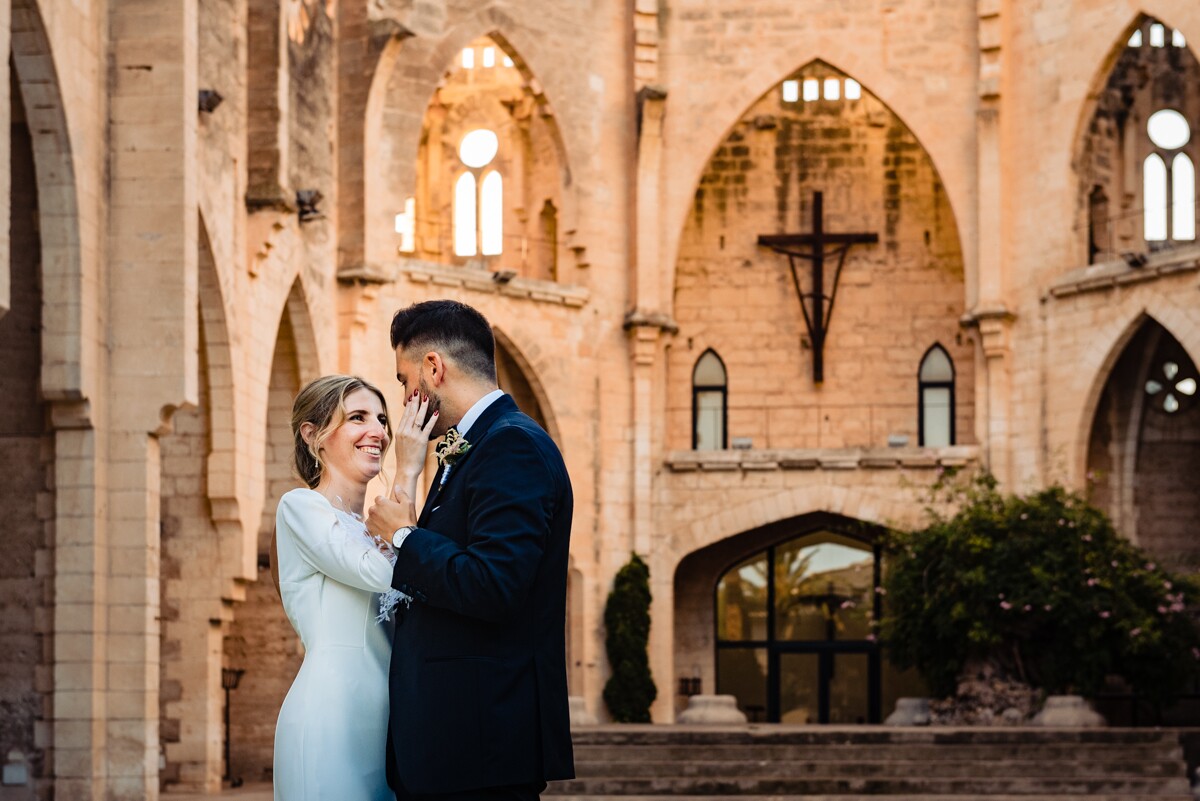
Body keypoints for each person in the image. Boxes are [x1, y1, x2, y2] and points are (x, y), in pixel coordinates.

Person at [367, 300, 575, 800]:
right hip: (460, 748)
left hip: (480, 749)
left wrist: (404, 536)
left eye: (403, 380)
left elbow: (494, 585)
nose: (405, 397)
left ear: (433, 368)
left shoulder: (511, 447)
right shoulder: (482, 445)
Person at [272, 374, 435, 801]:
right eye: (357, 417)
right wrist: (409, 470)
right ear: (314, 436)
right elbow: (382, 571)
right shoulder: (300, 507)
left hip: (388, 731)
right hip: (328, 721)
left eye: (382, 419)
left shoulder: (371, 531)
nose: (379, 432)